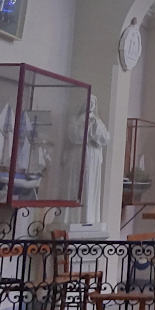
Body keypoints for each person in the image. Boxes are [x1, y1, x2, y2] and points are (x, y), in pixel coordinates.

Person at [70, 95, 110, 224]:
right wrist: (88, 131)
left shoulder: (97, 120)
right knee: (83, 184)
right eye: (89, 102)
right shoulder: (76, 120)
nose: (91, 104)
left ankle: (90, 217)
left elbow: (105, 138)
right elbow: (73, 136)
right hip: (82, 154)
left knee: (92, 185)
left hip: (94, 157)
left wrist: (95, 127)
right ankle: (79, 218)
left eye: (93, 102)